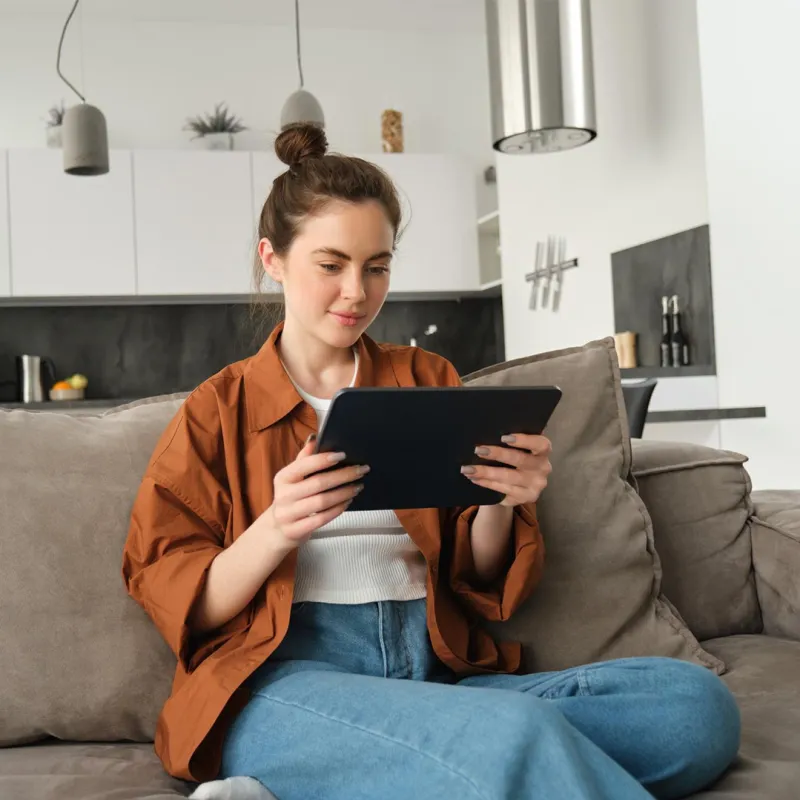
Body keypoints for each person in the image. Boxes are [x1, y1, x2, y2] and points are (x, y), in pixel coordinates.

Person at [122, 123, 740, 800]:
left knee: (690, 709)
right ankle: (454, 752)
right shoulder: (218, 409)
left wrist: (501, 502)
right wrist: (277, 527)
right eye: (330, 265)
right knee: (510, 734)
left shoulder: (426, 375)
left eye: (377, 266)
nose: (356, 292)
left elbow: (475, 572)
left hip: (435, 671)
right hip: (279, 684)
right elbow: (179, 597)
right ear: (274, 259)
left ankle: (367, 775)